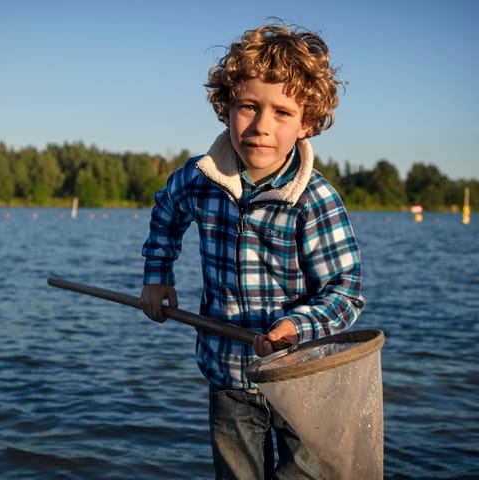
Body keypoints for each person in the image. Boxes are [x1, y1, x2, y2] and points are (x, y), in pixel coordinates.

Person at [140, 20, 365, 479]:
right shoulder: (199, 179)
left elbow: (344, 293)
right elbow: (166, 212)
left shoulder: (314, 198)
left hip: (301, 379)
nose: (261, 126)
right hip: (227, 372)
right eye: (248, 106)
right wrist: (158, 275)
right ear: (226, 109)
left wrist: (296, 325)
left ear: (306, 123)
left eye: (282, 112)